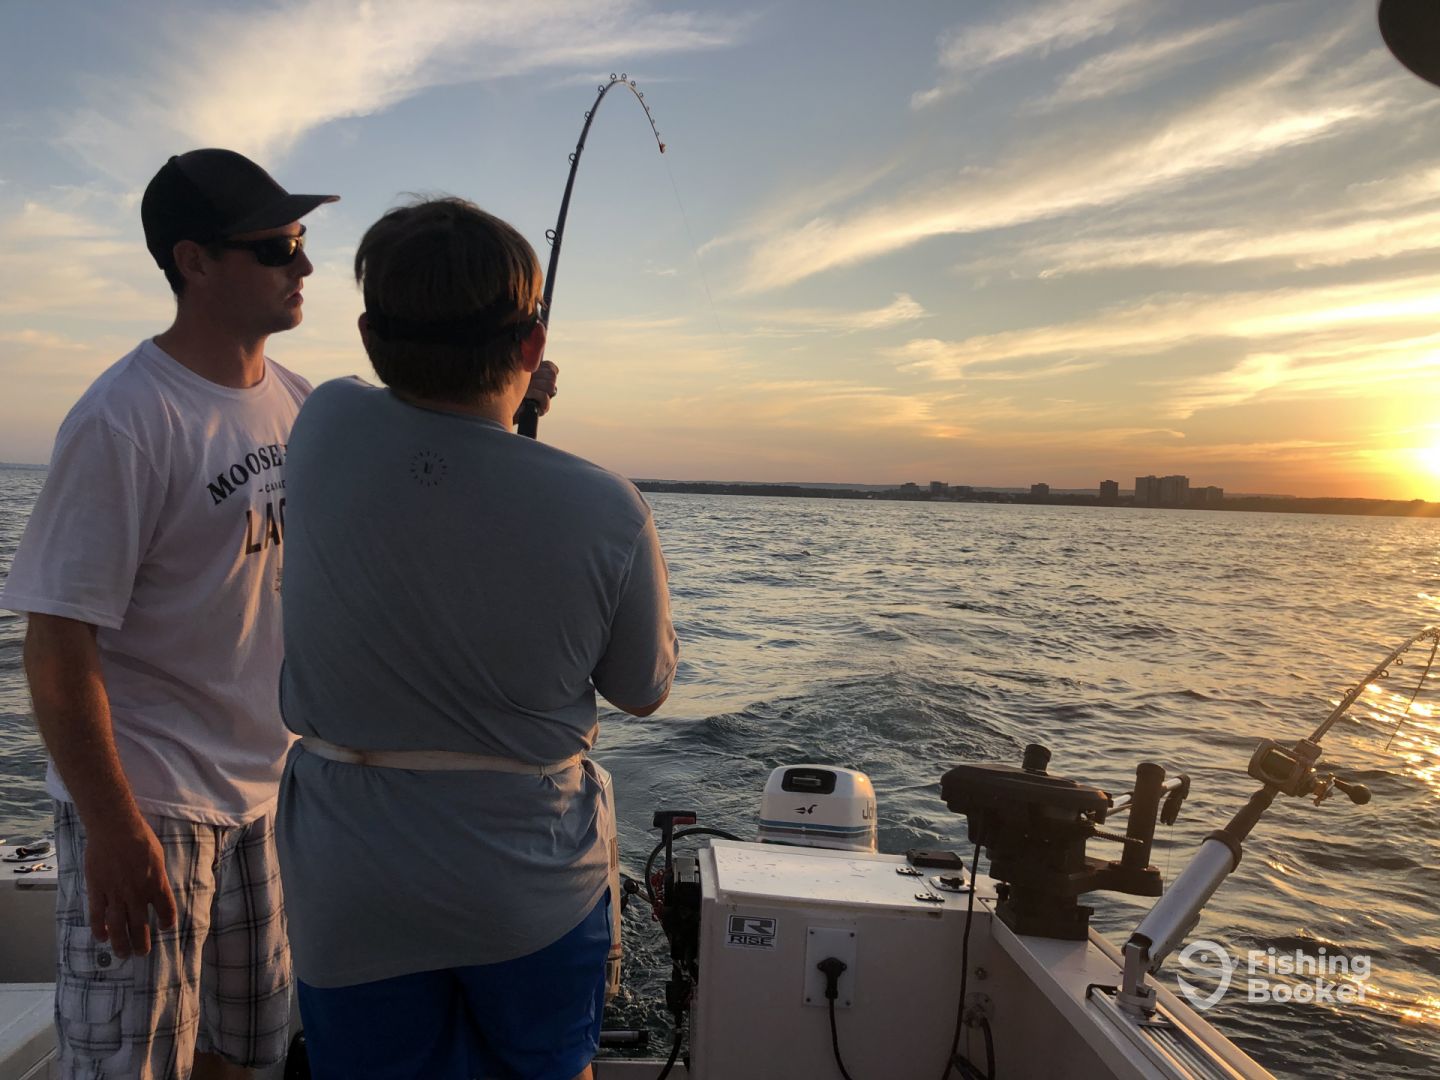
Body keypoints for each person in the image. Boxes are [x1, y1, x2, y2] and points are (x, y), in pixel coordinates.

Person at [273, 196, 678, 1080]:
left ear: (369, 336)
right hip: (528, 886)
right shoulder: (609, 507)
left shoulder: (323, 421)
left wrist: (501, 398)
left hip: (348, 881)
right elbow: (643, 690)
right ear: (532, 346)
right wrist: (512, 407)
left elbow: (418, 429)